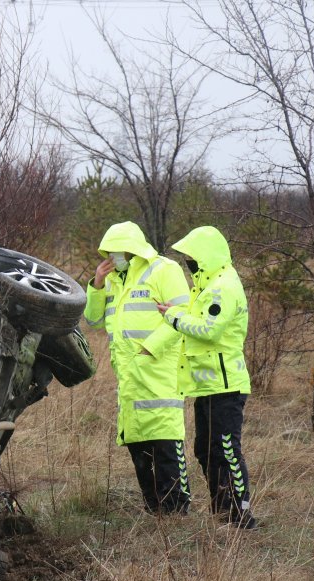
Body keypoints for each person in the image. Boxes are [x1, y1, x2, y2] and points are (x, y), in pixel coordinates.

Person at [152, 226, 258, 529]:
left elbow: (209, 330)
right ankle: (222, 511)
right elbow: (202, 318)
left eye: (192, 257)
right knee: (205, 449)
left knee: (226, 448)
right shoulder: (209, 284)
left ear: (206, 256)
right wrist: (180, 312)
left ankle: (240, 514)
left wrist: (172, 317)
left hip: (226, 386)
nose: (189, 263)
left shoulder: (222, 287)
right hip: (208, 385)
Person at [84, 221, 193, 514]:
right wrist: (96, 284)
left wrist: (150, 349)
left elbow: (183, 316)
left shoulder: (164, 270)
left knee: (165, 440)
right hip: (129, 378)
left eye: (119, 251)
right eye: (110, 252)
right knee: (138, 444)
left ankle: (176, 509)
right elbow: (92, 320)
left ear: (134, 250)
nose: (114, 256)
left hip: (158, 372)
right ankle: (154, 508)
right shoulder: (113, 281)